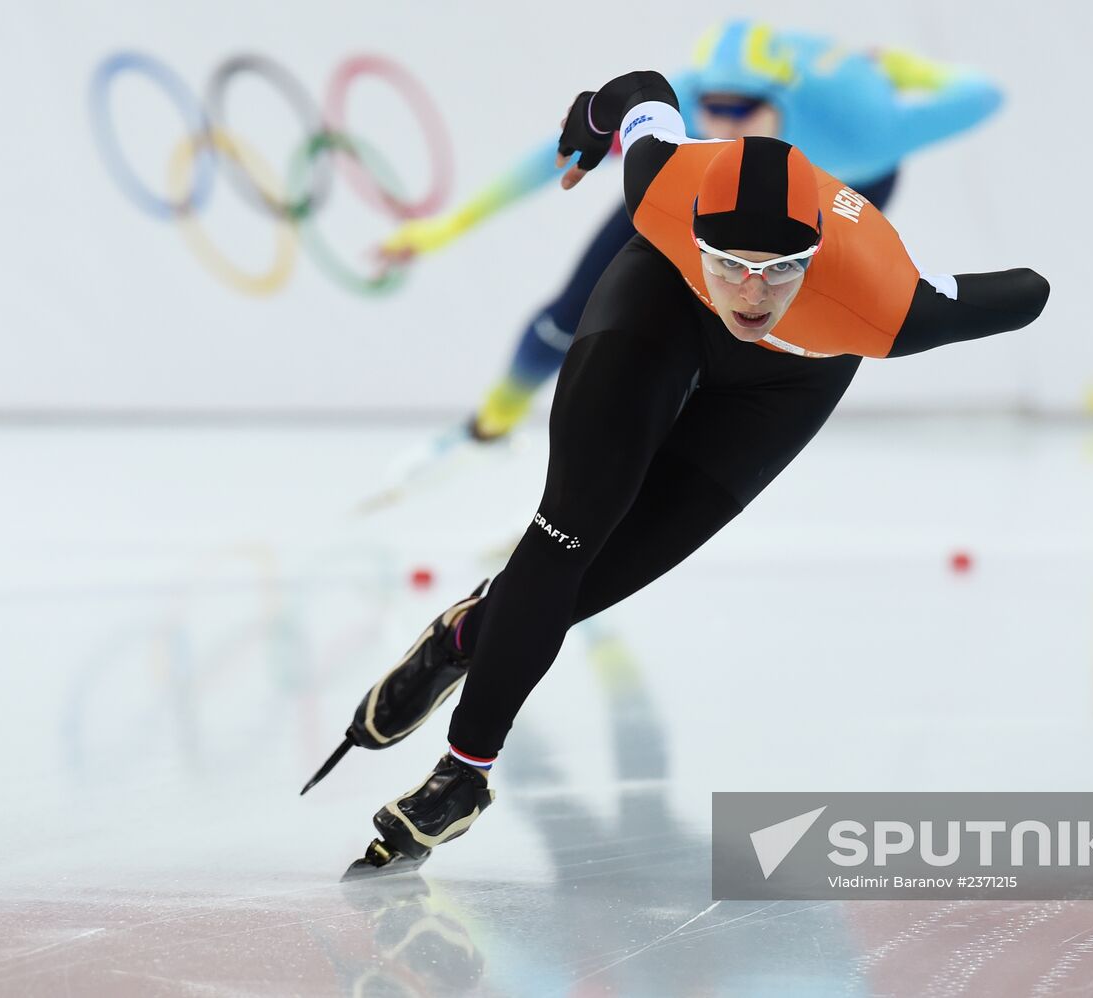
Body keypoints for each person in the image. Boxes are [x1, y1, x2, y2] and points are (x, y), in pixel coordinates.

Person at [322, 68, 1049, 872]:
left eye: (780, 267)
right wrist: (587, 125)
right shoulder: (663, 183)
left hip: (789, 381)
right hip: (661, 308)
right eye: (732, 262)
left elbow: (1026, 292)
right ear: (697, 232)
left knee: (602, 574)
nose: (752, 291)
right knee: (566, 535)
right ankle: (463, 778)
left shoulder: (886, 303)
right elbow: (637, 91)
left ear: (814, 255)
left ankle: (462, 639)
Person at [381, 20, 1003, 443]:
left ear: (780, 100)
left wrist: (902, 67)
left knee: (756, 319)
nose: (719, 120)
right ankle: (495, 417)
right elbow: (561, 154)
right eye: (711, 105)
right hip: (709, 183)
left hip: (839, 181)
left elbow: (983, 93)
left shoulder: (867, 126)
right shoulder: (691, 106)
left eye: (739, 110)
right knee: (584, 302)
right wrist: (442, 230)